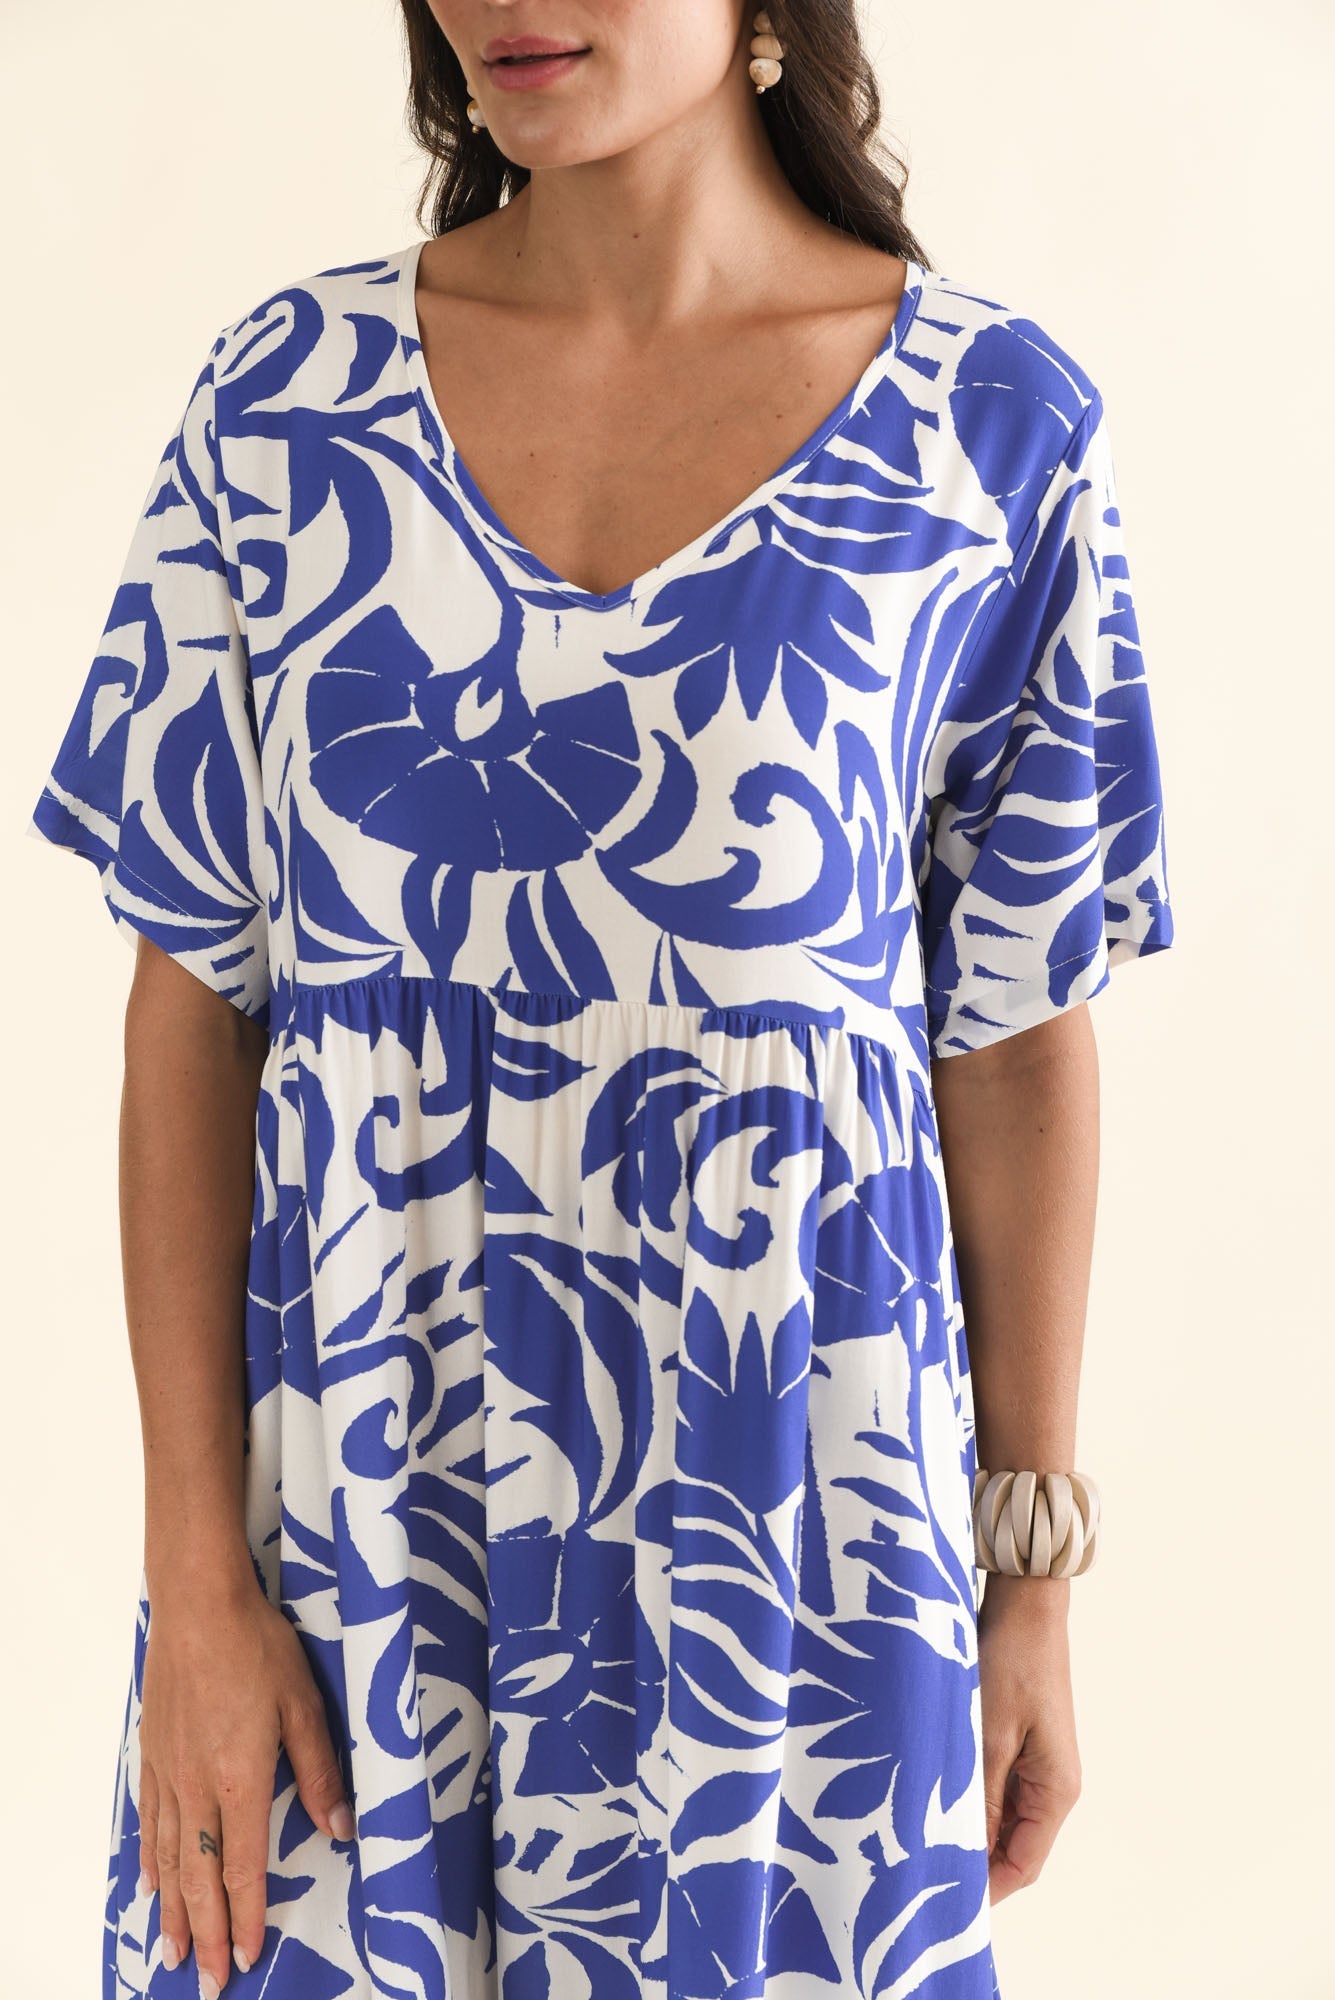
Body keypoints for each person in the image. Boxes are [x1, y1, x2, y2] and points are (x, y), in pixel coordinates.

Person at [26, 3, 1175, 1995]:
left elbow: (1010, 1030)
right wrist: (193, 1581)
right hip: (351, 1546)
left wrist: (1032, 1580)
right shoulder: (283, 407)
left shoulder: (992, 431)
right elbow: (191, 1015)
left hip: (795, 1548)